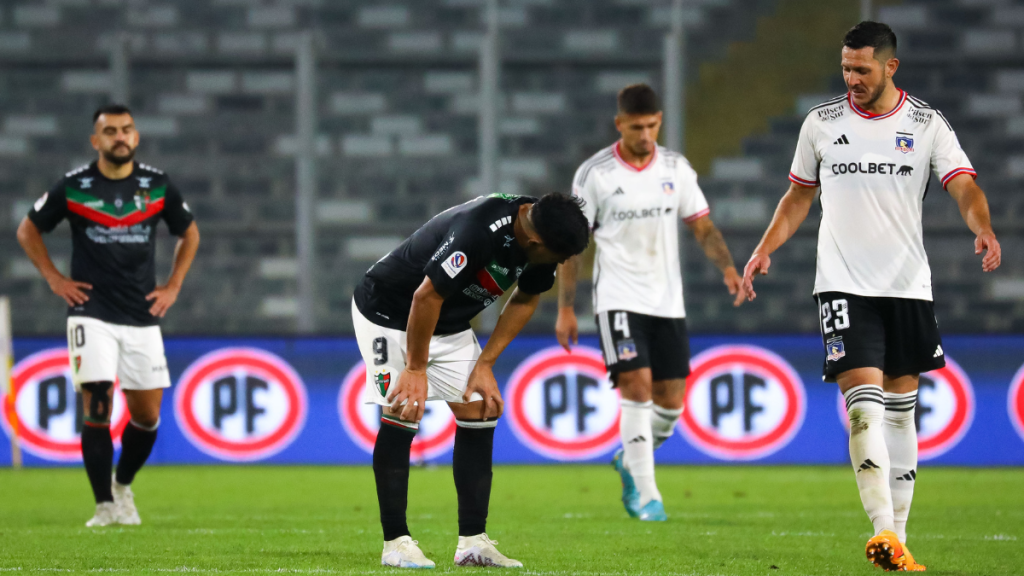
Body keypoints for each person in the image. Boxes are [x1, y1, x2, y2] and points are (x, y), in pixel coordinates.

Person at [742, 22, 1000, 572]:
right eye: (845, 68)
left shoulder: (927, 124)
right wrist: (765, 248)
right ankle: (881, 527)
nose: (852, 78)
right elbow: (796, 197)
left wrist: (982, 225)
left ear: (891, 67)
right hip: (841, 284)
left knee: (902, 414)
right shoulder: (821, 123)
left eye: (862, 69)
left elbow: (963, 184)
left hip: (907, 285)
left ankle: (897, 540)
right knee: (863, 410)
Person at [353, 192, 589, 568]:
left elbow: (526, 299)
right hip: (387, 309)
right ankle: (395, 542)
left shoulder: (539, 226)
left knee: (480, 408)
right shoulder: (477, 233)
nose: (559, 264)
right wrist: (415, 369)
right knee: (404, 407)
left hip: (445, 319)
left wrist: (485, 364)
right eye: (558, 257)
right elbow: (425, 296)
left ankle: (473, 543)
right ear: (534, 243)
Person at [555, 84, 745, 522]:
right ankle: (647, 495)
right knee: (636, 388)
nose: (645, 134)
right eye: (637, 127)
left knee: (670, 405)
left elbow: (703, 227)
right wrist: (567, 308)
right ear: (620, 125)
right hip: (618, 298)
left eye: (653, 126)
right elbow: (572, 245)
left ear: (660, 121)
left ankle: (628, 459)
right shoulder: (595, 173)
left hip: (667, 301)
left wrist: (728, 269)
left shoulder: (676, 168)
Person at [16, 104, 200, 527]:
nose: (120, 137)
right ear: (95, 140)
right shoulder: (75, 186)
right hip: (90, 310)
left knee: (147, 415)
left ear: (136, 137)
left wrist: (173, 286)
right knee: (97, 404)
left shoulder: (156, 186)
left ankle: (121, 485)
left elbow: (188, 232)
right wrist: (55, 279)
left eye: (126, 130)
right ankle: (103, 506)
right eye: (110, 131)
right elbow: (29, 229)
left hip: (141, 310)